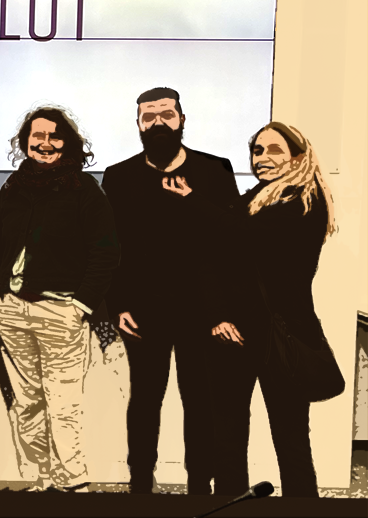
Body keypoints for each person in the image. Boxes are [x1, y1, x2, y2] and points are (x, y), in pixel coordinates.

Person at [102, 87, 238, 495]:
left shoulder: (215, 171)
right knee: (144, 402)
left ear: (182, 119)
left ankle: (200, 484)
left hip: (203, 310)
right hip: (143, 312)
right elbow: (111, 247)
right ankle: (140, 484)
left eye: (166, 114)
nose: (158, 123)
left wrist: (225, 310)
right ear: (139, 124)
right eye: (149, 117)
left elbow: (231, 243)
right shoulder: (119, 176)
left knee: (200, 403)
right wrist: (118, 304)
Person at [0, 107, 119, 493]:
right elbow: (2, 245)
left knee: (63, 406)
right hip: (11, 310)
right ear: (25, 140)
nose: (44, 143)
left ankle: (71, 483)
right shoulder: (14, 186)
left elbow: (106, 252)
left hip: (61, 312)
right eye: (37, 135)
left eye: (54, 136)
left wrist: (81, 306)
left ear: (68, 142)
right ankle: (37, 481)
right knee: (27, 403)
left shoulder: (84, 190)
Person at [201, 123, 338, 497]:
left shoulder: (304, 203)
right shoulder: (253, 200)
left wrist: (192, 200)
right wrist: (217, 315)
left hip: (282, 338)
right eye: (257, 151)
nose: (261, 158)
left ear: (297, 155)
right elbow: (215, 264)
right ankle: (231, 504)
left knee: (291, 438)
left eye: (273, 150)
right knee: (227, 437)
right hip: (233, 333)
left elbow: (243, 236)